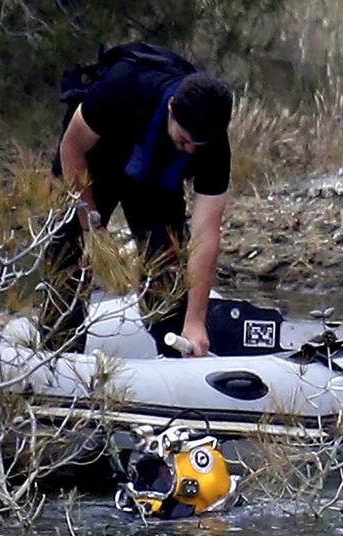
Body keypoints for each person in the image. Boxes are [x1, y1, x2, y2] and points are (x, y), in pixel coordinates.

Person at [43, 43, 233, 356]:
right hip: (94, 162)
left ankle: (175, 350)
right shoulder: (122, 86)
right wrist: (93, 228)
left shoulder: (211, 146)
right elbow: (72, 150)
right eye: (185, 140)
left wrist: (196, 320)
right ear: (172, 107)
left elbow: (206, 233)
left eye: (199, 145)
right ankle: (58, 353)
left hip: (155, 180)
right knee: (69, 250)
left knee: (165, 261)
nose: (191, 151)